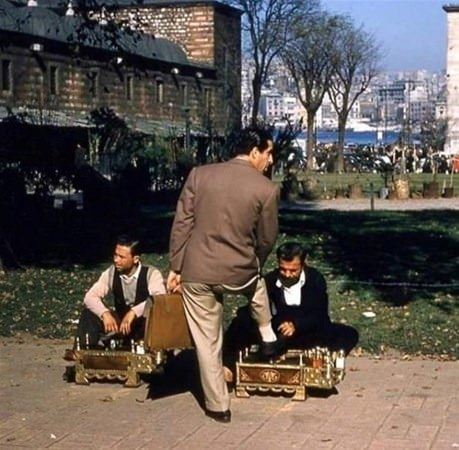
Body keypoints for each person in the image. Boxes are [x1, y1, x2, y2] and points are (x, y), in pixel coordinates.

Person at [167, 127, 280, 424]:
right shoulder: (266, 189)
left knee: (207, 341)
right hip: (240, 269)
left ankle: (218, 405)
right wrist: (256, 260)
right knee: (256, 285)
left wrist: (176, 267)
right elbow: (267, 237)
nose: (270, 161)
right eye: (269, 153)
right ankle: (267, 331)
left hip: (197, 270)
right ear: (254, 151)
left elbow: (182, 225)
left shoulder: (198, 175)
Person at [223, 241, 359, 375]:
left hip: (306, 332)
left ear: (303, 265)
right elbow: (258, 309)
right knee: (241, 322)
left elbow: (319, 314)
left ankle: (323, 366)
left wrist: (296, 325)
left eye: (293, 270)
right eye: (283, 269)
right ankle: (229, 367)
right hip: (275, 333)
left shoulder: (315, 280)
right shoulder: (270, 280)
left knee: (348, 334)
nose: (287, 274)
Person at [74, 234, 166, 350]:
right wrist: (104, 313)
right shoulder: (111, 273)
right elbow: (90, 297)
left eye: (122, 257)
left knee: (153, 318)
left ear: (135, 259)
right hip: (122, 321)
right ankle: (84, 353)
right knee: (89, 314)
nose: (116, 260)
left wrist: (133, 312)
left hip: (144, 324)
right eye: (115, 255)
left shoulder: (151, 274)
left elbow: (158, 299)